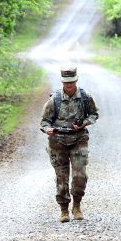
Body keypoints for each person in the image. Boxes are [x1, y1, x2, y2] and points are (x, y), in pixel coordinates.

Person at [40, 67, 99, 223]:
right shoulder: (55, 99)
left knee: (80, 175)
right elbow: (44, 121)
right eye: (66, 82)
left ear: (76, 80)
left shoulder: (85, 97)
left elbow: (94, 114)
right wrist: (48, 130)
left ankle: (77, 206)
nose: (69, 85)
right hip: (58, 141)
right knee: (62, 177)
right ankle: (64, 210)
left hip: (78, 139)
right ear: (62, 82)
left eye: (72, 82)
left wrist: (84, 123)